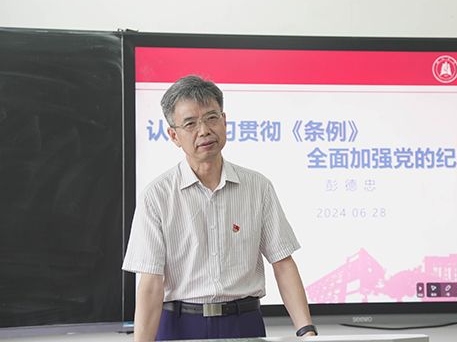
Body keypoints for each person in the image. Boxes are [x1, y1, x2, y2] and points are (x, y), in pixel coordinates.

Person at [122, 75, 317, 341]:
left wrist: (306, 331)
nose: (204, 130)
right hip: (179, 325)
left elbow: (282, 263)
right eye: (190, 123)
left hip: (244, 322)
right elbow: (151, 284)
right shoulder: (157, 196)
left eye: (211, 118)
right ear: (174, 135)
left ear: (224, 121)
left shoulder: (257, 187)